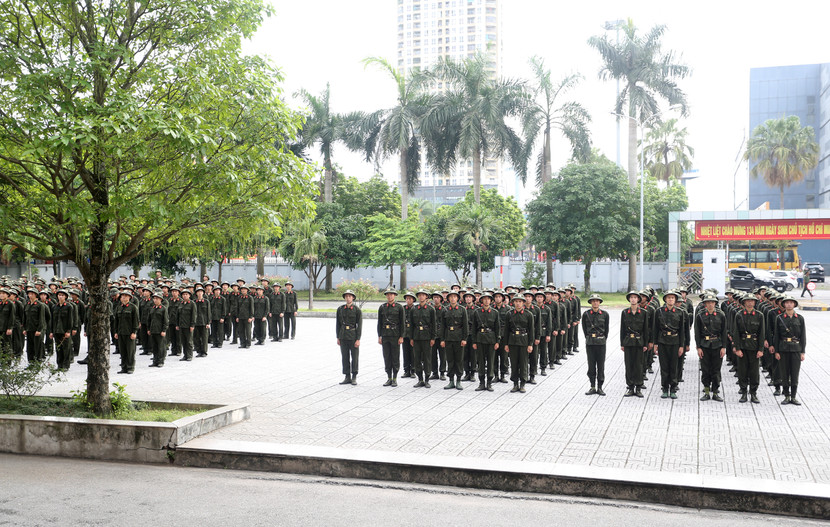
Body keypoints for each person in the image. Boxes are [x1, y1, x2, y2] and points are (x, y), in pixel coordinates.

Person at [652, 290, 688, 399]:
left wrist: (682, 346)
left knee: (674, 366)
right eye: (668, 298)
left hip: (675, 342)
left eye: (672, 298)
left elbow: (682, 331)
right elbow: (655, 329)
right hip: (663, 341)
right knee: (664, 367)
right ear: (665, 300)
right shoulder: (659, 311)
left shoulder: (680, 312)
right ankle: (664, 388)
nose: (671, 300)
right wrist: (655, 344)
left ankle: (673, 388)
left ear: (675, 300)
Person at [694, 293, 728, 402]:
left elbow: (724, 332)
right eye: (708, 302)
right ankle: (707, 391)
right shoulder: (700, 315)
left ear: (715, 303)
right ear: (704, 304)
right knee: (705, 369)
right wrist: (698, 347)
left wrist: (724, 347)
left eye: (712, 302)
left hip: (717, 345)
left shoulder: (721, 315)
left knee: (716, 370)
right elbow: (697, 333)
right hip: (705, 345)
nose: (710, 304)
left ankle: (715, 391)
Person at [733, 293, 765, 404]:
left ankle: (753, 393)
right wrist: (737, 348)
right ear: (744, 302)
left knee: (754, 372)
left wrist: (761, 349)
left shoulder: (759, 315)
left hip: (755, 347)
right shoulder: (739, 315)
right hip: (742, 346)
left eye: (752, 300)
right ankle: (743, 392)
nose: (750, 302)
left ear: (755, 302)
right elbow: (736, 332)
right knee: (742, 370)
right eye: (748, 301)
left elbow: (761, 333)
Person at [774, 296, 806, 405]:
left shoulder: (800, 318)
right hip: (783, 348)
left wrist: (803, 352)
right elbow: (776, 336)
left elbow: (803, 336)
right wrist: (777, 351)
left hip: (796, 349)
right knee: (784, 373)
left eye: (791, 303)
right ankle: (786, 396)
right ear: (784, 305)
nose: (789, 304)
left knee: (794, 373)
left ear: (794, 305)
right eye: (786, 303)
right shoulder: (779, 318)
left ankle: (793, 396)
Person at [620, 290, 648, 398]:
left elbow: (645, 330)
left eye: (635, 297)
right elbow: (622, 329)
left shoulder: (644, 313)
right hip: (628, 342)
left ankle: (639, 387)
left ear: (638, 300)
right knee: (629, 365)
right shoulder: (624, 312)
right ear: (629, 299)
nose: (633, 299)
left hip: (639, 342)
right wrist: (622, 343)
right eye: (631, 297)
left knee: (639, 365)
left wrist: (645, 343)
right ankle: (630, 387)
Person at [505, 294, 534, 393]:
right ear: (513, 303)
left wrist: (530, 344)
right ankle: (515, 383)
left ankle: (522, 383)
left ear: (523, 303)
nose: (518, 303)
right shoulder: (509, 314)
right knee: (514, 363)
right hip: (512, 341)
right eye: (516, 301)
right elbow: (506, 330)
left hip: (524, 341)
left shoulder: (528, 315)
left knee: (523, 363)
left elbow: (531, 330)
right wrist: (506, 344)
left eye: (520, 301)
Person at [581, 293, 609, 396]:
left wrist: (602, 338)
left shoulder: (605, 314)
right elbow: (584, 329)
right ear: (591, 302)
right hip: (590, 343)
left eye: (597, 301)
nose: (595, 302)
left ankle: (600, 387)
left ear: (600, 302)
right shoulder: (586, 314)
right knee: (591, 365)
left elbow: (606, 330)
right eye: (593, 301)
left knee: (601, 365)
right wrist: (589, 338)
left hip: (601, 343)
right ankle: (592, 386)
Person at [407, 289, 436, 388]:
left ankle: (427, 379)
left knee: (427, 359)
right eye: (419, 295)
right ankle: (420, 379)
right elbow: (411, 325)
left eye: (423, 295)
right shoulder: (413, 309)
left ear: (426, 297)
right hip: (416, 336)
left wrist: (433, 338)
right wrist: (411, 338)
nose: (421, 297)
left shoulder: (431, 309)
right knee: (417, 359)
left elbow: (433, 325)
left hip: (427, 336)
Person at [472, 291, 500, 392]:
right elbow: (474, 328)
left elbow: (497, 328)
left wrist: (497, 341)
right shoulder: (477, 312)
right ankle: (481, 382)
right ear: (482, 300)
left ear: (491, 301)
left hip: (491, 340)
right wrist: (474, 341)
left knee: (491, 361)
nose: (486, 301)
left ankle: (489, 382)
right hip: (480, 339)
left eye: (488, 299)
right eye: (484, 299)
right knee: (481, 362)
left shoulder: (495, 312)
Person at [377, 288, 405, 386]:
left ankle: (394, 378)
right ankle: (389, 377)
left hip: (395, 335)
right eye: (388, 295)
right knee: (387, 357)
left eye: (392, 294)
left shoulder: (399, 307)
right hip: (385, 335)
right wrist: (379, 336)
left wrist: (401, 336)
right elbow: (379, 323)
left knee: (395, 357)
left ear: (395, 295)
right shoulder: (382, 307)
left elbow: (402, 323)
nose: (390, 296)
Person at [441, 290, 468, 390]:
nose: (452, 299)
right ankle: (451, 380)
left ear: (457, 298)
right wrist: (442, 339)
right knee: (450, 359)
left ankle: (459, 380)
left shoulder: (462, 310)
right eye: (451, 297)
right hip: (448, 338)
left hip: (459, 338)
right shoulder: (445, 310)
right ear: (448, 299)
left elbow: (465, 326)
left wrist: (464, 338)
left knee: (459, 360)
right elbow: (443, 326)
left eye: (454, 297)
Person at [336, 290, 362, 386]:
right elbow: (338, 324)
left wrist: (358, 339)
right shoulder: (340, 309)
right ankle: (347, 376)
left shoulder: (356, 310)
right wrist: (338, 337)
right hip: (343, 336)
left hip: (353, 336)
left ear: (353, 298)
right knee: (345, 357)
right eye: (346, 296)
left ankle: (354, 376)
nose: (348, 298)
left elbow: (359, 325)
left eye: (350, 296)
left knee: (354, 357)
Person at [113, 291, 139, 374]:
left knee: (130, 351)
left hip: (129, 333)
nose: (124, 297)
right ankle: (123, 367)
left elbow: (136, 321)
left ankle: (130, 367)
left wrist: (134, 332)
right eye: (122, 296)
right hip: (121, 332)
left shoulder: (133, 307)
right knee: (122, 351)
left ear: (130, 298)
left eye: (126, 296)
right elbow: (116, 321)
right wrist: (116, 332)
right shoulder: (118, 307)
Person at [22, 288, 47, 363]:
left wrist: (39, 330)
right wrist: (24, 329)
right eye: (29, 294)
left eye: (32, 294)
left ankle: (38, 361)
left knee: (37, 347)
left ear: (36, 295)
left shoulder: (40, 305)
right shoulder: (27, 304)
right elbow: (25, 318)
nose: (30, 295)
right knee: (30, 347)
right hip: (29, 329)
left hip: (36, 329)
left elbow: (42, 318)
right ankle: (31, 362)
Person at [147, 292, 169, 367]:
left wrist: (164, 330)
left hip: (160, 331)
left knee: (161, 347)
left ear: (160, 299)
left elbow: (166, 321)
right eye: (154, 298)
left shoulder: (163, 309)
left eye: (157, 299)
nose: (155, 300)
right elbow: (149, 320)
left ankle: (161, 361)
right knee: (155, 347)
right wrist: (148, 329)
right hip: (153, 330)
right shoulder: (152, 308)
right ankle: (155, 361)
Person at [177, 289, 196, 361]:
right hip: (181, 325)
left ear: (189, 295)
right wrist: (177, 324)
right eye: (183, 294)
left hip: (188, 326)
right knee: (183, 341)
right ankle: (185, 355)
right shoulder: (181, 303)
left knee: (189, 341)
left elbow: (194, 315)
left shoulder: (192, 304)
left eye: (186, 294)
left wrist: (192, 325)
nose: (185, 296)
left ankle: (189, 355)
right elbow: (178, 315)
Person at [400, 291, 416, 378]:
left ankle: (413, 370)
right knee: (405, 353)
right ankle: (406, 370)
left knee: (413, 353)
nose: (408, 300)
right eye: (407, 298)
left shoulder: (415, 308)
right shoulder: (403, 308)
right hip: (405, 334)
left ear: (413, 299)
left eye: (410, 298)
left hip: (413, 334)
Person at [193, 286, 211, 356]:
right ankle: (199, 351)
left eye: (201, 292)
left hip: (204, 322)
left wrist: (208, 322)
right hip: (196, 322)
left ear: (203, 293)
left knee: (204, 338)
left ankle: (204, 352)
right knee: (196, 338)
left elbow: (208, 313)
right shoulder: (194, 302)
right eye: (198, 292)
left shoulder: (206, 302)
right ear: (196, 293)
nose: (200, 293)